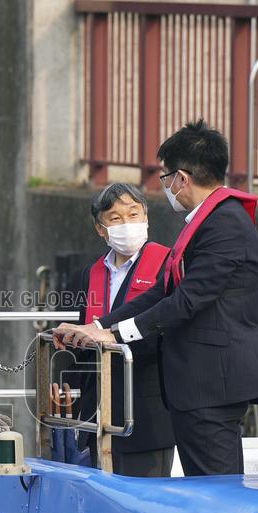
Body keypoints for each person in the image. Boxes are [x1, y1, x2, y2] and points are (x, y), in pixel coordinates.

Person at [54, 120, 258, 476]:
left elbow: (187, 300)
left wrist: (115, 334)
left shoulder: (225, 224)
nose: (166, 186)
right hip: (195, 383)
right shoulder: (206, 220)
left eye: (165, 177)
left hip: (212, 382)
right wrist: (100, 327)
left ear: (182, 178)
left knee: (214, 489)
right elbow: (163, 291)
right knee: (201, 486)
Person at [60, 183, 175, 477]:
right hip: (99, 406)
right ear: (101, 229)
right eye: (116, 218)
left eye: (134, 214)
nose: (127, 224)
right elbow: (85, 330)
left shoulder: (168, 263)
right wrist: (64, 380)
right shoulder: (91, 273)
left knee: (146, 496)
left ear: (146, 217)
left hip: (148, 407)